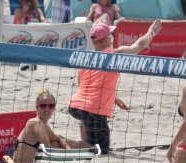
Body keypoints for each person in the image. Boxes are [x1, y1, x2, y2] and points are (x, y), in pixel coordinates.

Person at [68, 20, 162, 154]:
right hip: (93, 110)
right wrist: (151, 32)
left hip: (75, 106)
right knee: (101, 150)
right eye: (111, 35)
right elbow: (138, 46)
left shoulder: (85, 58)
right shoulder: (114, 55)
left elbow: (85, 88)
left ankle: (84, 143)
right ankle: (62, 141)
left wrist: (115, 100)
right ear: (106, 39)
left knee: (87, 125)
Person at [13, 89, 83, 163]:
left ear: (54, 108)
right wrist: (72, 161)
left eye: (51, 106)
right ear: (37, 107)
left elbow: (59, 139)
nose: (47, 109)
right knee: (55, 145)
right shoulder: (35, 122)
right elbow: (49, 151)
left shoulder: (43, 126)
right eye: (43, 105)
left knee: (56, 143)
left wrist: (70, 154)